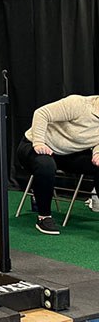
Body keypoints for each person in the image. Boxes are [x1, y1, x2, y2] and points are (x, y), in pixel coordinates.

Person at [16, 94, 99, 235]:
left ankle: (39, 193)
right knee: (46, 165)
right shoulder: (80, 104)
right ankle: (44, 217)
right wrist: (39, 143)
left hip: (66, 154)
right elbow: (41, 113)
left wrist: (97, 153)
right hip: (34, 145)